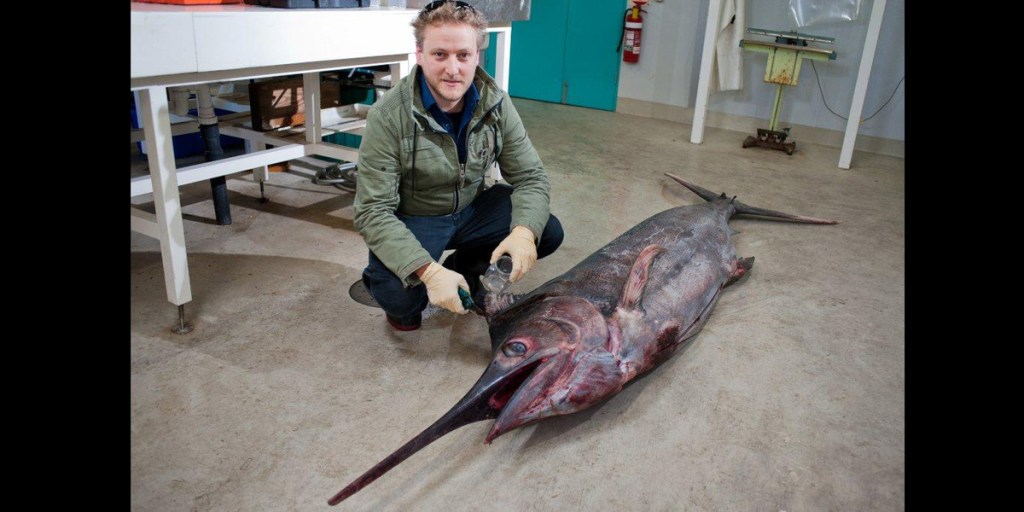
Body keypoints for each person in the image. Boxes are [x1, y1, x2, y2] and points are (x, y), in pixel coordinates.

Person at [353, 0, 564, 331]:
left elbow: (531, 178)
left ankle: (464, 266)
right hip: (417, 218)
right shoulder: (388, 117)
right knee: (402, 301)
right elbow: (372, 211)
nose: (453, 68)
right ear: (420, 54)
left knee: (545, 230)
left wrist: (523, 233)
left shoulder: (495, 103)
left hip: (471, 209)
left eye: (463, 55)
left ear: (476, 57)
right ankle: (389, 277)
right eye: (440, 55)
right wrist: (427, 271)